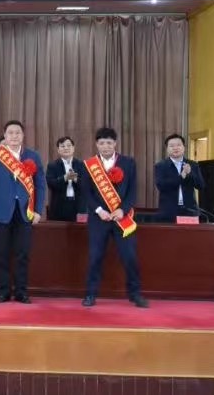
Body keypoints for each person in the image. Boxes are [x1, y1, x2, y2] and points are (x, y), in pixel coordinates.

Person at [76, 127, 148, 308]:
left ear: (115, 143)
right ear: (96, 144)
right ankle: (90, 294)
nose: (106, 146)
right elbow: (86, 192)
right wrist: (99, 210)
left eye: (109, 142)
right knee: (95, 257)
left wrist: (122, 210)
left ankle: (135, 294)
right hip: (98, 219)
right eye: (102, 143)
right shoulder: (88, 165)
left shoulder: (128, 163)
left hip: (122, 219)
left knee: (129, 257)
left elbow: (132, 191)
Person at [0, 121, 46, 303]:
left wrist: (38, 210)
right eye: (10, 133)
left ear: (23, 135)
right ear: (5, 136)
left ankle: (21, 291)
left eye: (17, 132)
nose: (14, 136)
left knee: (23, 254)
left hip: (26, 211)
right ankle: (3, 291)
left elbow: (40, 185)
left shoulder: (33, 156)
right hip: (2, 212)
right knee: (2, 254)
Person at [154, 134, 207, 221]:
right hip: (168, 212)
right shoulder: (161, 166)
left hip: (190, 211)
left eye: (179, 145)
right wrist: (181, 176)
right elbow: (161, 186)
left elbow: (201, 185)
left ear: (184, 147)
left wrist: (190, 174)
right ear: (167, 149)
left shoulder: (193, 164)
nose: (175, 148)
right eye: (172, 146)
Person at [46, 136, 83, 222]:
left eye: (68, 145)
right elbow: (51, 184)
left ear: (73, 148)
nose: (66, 148)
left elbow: (86, 185)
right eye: (62, 146)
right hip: (58, 207)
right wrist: (65, 178)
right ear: (58, 150)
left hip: (78, 206)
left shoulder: (81, 164)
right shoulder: (52, 165)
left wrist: (75, 179)